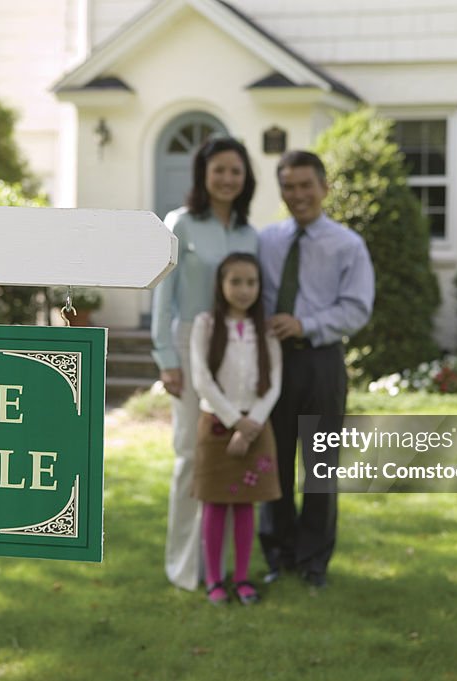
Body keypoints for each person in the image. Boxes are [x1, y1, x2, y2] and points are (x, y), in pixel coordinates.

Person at [257, 150, 375, 588]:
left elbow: (357, 308)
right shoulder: (266, 241)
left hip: (321, 360)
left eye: (306, 185)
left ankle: (314, 563)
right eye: (289, 186)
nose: (298, 194)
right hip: (273, 362)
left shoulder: (348, 245)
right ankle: (278, 554)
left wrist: (306, 324)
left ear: (325, 187)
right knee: (275, 463)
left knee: (320, 465)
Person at [150, 136, 259, 591]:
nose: (227, 179)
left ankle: (227, 567)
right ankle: (184, 568)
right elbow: (163, 294)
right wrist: (166, 357)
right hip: (189, 342)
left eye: (236, 171)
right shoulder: (179, 224)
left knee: (232, 453)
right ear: (203, 174)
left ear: (245, 177)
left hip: (236, 346)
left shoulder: (249, 233)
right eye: (219, 170)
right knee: (190, 454)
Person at [190, 252, 282, 605]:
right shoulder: (206, 325)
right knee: (214, 503)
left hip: (257, 425)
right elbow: (202, 379)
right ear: (221, 285)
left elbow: (274, 383)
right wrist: (235, 421)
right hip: (217, 424)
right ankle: (215, 580)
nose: (244, 290)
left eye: (251, 282)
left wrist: (252, 423)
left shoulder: (267, 330)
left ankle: (242, 578)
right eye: (236, 282)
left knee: (246, 504)